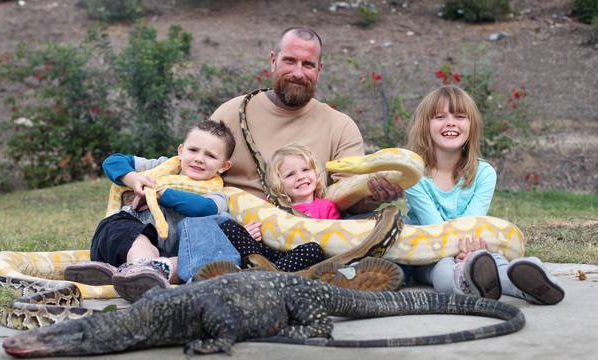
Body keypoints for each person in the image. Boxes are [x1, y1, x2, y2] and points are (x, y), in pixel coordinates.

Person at [209, 26, 402, 212]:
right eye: (290, 61)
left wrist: (373, 197)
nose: (298, 73)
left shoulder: (340, 127)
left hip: (306, 235)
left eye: (308, 64)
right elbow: (194, 170)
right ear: (273, 60)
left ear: (319, 69)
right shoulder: (231, 113)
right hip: (231, 225)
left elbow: (348, 200)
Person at [402, 85, 564, 305]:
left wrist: (471, 253)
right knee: (442, 270)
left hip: (471, 248)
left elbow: (472, 224)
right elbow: (436, 229)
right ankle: (467, 284)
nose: (450, 122)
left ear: (472, 126)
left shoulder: (484, 173)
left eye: (460, 116)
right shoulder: (413, 174)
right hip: (426, 255)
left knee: (495, 262)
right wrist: (465, 253)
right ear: (425, 126)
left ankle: (531, 285)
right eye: (440, 116)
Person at [65, 120, 241, 302]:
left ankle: (133, 274)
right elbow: (113, 162)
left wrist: (161, 193)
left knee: (199, 255)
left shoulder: (217, 193)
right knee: (122, 225)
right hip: (129, 243)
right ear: (181, 151)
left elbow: (203, 208)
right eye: (193, 150)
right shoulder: (160, 167)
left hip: (173, 256)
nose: (199, 159)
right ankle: (138, 270)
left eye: (210, 156)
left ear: (223, 166)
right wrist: (134, 180)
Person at [217, 144, 338, 272]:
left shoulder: (326, 207)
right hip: (267, 256)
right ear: (278, 183)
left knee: (313, 249)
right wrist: (250, 233)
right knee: (228, 226)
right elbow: (258, 233)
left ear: (316, 173)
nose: (300, 177)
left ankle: (263, 274)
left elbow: (336, 243)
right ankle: (263, 272)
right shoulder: (269, 207)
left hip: (300, 257)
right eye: (290, 174)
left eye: (306, 170)